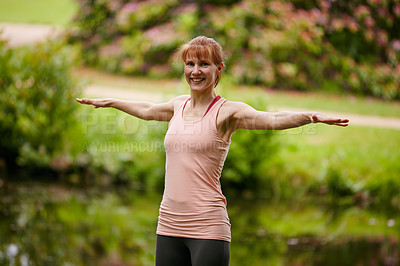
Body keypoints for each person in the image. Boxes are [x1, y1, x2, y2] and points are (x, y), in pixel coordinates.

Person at [76, 36, 349, 266]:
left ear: (218, 69)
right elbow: (147, 110)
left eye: (203, 64)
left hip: (208, 227)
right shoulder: (177, 106)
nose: (195, 71)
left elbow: (273, 119)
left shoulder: (227, 112)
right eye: (190, 64)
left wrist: (310, 116)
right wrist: (111, 102)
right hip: (168, 223)